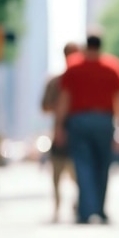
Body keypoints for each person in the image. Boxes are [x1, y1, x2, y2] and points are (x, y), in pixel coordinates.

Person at [54, 32, 119, 224]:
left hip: (79, 121)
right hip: (104, 120)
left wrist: (59, 126)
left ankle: (86, 210)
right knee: (103, 165)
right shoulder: (113, 66)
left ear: (86, 45)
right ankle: (99, 209)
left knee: (83, 165)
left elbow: (65, 99)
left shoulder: (73, 65)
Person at [41, 41, 79, 222]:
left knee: (79, 174)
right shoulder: (55, 80)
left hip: (79, 133)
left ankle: (79, 205)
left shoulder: (83, 78)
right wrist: (60, 107)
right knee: (56, 173)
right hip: (59, 131)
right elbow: (44, 106)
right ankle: (56, 209)